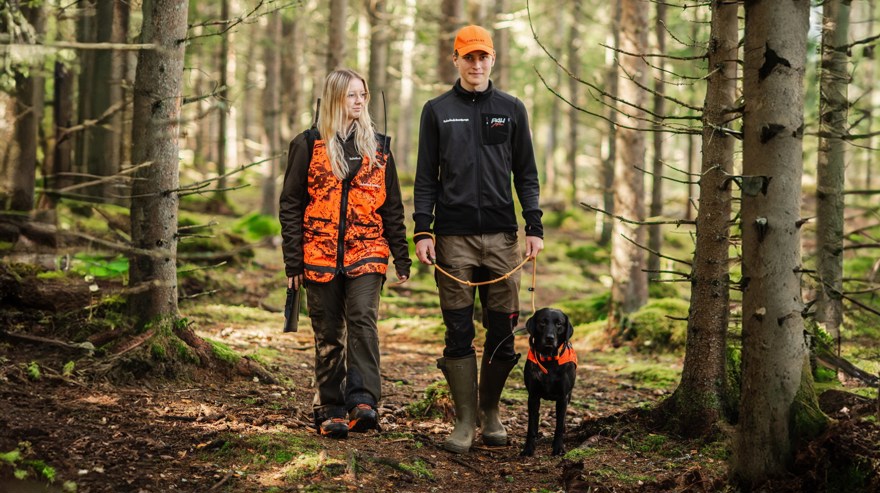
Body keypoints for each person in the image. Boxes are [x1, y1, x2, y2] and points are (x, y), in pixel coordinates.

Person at [413, 25, 544, 453]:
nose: (476, 64)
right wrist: (423, 229)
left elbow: (525, 173)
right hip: (453, 239)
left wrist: (534, 226)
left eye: (482, 56)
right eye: (468, 57)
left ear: (492, 59)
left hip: (504, 238)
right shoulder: (436, 110)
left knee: (503, 332)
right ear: (456, 59)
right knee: (457, 330)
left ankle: (490, 412)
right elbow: (425, 179)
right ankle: (464, 421)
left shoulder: (511, 108)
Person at [280, 68, 411, 439]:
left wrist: (401, 256)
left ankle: (364, 401)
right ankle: (331, 406)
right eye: (352, 95)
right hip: (317, 253)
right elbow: (290, 204)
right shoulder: (308, 144)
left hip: (367, 250)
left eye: (363, 94)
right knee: (329, 333)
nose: (359, 101)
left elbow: (393, 208)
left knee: (362, 321)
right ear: (336, 98)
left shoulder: (380, 148)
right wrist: (293, 260)